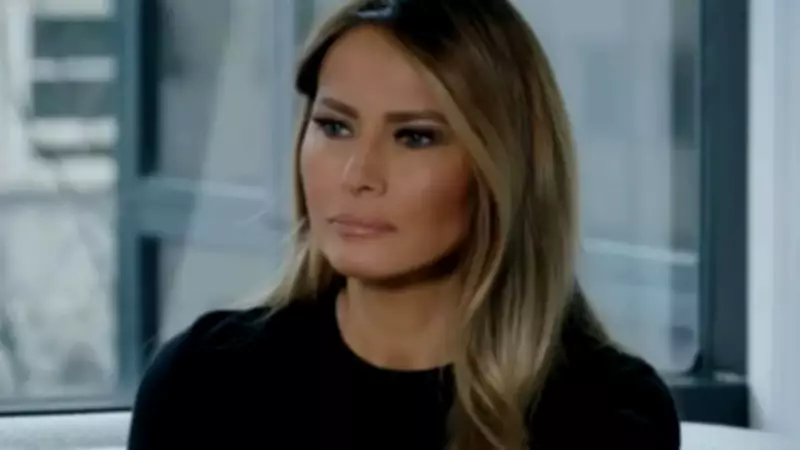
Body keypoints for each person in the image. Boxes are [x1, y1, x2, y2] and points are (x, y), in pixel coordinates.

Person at [127, 0, 681, 449]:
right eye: (335, 127)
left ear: (501, 169)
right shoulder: (203, 382)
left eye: (414, 137)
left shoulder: (604, 412)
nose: (358, 175)